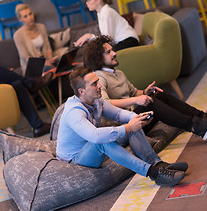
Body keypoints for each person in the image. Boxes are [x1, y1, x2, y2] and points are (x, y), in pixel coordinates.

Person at [56, 66, 188, 186]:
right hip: (75, 159)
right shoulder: (74, 112)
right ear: (81, 91)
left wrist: (137, 118)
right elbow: (95, 137)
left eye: (98, 81)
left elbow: (118, 114)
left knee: (131, 124)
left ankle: (158, 165)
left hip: (89, 147)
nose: (100, 85)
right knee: (104, 141)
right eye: (94, 84)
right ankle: (154, 173)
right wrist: (129, 127)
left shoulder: (96, 101)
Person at [83, 35, 207, 139]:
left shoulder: (118, 73)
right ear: (98, 58)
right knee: (152, 103)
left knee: (156, 95)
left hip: (135, 115)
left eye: (112, 50)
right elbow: (105, 103)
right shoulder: (99, 77)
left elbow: (134, 92)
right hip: (127, 124)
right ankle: (195, 126)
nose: (114, 53)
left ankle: (203, 118)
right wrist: (138, 99)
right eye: (108, 52)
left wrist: (145, 92)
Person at [74, 0, 139, 51]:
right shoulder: (100, 13)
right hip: (124, 41)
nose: (86, 3)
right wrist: (90, 38)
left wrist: (89, 36)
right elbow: (105, 38)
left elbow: (107, 39)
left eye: (89, 0)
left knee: (104, 56)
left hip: (129, 41)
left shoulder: (107, 12)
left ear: (98, 1)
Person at [13, 3, 57, 74]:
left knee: (60, 66)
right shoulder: (18, 35)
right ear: (20, 19)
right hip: (31, 66)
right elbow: (26, 57)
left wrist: (50, 59)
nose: (30, 17)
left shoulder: (41, 27)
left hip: (46, 62)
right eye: (25, 16)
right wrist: (44, 63)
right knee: (52, 70)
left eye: (30, 14)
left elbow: (48, 47)